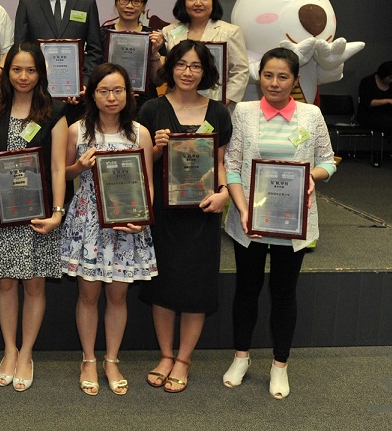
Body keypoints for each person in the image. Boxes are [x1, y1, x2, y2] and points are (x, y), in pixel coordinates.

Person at [221, 47, 335, 400]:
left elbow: (328, 162)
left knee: (284, 294)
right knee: (247, 290)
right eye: (268, 75)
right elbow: (233, 165)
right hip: (249, 220)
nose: (274, 82)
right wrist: (242, 209)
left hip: (293, 223)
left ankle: (279, 365)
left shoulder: (311, 115)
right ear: (259, 78)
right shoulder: (243, 112)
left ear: (295, 80)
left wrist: (313, 177)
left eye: (283, 76)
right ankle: (241, 358)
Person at [136, 40, 232, 393]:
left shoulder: (218, 112)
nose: (188, 72)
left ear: (205, 71)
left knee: (196, 286)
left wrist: (223, 194)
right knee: (164, 285)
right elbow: (142, 166)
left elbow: (221, 162)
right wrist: (158, 149)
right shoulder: (151, 109)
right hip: (164, 213)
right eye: (181, 64)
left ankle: (184, 359)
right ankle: (165, 354)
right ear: (170, 67)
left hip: (203, 212)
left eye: (195, 66)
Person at [0, 41, 68, 393]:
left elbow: (59, 166)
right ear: (7, 73)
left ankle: (27, 352)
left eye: (30, 70)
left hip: (38, 214)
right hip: (0, 212)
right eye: (17, 69)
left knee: (35, 283)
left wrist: (58, 212)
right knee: (5, 282)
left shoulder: (55, 112)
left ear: (40, 72)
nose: (24, 76)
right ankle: (9, 349)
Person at [61, 62, 155, 396]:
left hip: (127, 225)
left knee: (117, 295)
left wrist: (141, 217)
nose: (111, 97)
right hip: (88, 224)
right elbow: (63, 177)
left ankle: (111, 359)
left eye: (118, 90)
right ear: (92, 94)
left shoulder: (139, 133)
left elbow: (148, 183)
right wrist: (77, 166)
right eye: (104, 91)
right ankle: (88, 358)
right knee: (88, 294)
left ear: (129, 94)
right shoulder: (77, 131)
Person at [14, 0, 104, 89]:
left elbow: (95, 50)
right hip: (36, 87)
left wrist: (85, 82)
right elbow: (20, 47)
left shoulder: (86, 3)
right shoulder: (27, 3)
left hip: (75, 89)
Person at [160, 0, 249, 104]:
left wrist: (225, 101)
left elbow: (240, 71)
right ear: (183, 3)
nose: (198, 3)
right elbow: (166, 68)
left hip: (214, 102)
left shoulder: (230, 32)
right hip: (176, 101)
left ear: (213, 2)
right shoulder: (169, 31)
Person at [100, 0, 164, 106]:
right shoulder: (102, 34)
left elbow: (158, 81)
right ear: (116, 2)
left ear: (144, 6)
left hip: (144, 103)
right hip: (109, 100)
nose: (129, 6)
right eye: (124, 0)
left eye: (136, 1)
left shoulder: (153, 37)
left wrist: (155, 52)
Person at [356, 61, 392, 162]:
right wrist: (388, 101)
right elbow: (367, 102)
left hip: (388, 114)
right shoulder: (367, 82)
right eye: (390, 77)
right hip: (368, 115)